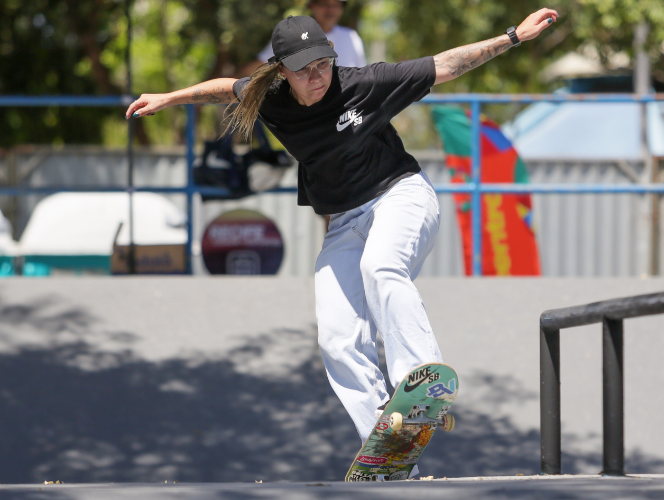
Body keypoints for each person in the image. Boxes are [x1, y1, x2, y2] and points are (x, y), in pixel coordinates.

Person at [126, 8, 558, 471]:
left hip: (401, 198)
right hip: (346, 220)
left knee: (381, 267)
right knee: (335, 337)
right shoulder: (267, 95)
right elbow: (221, 88)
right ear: (281, 71)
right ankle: (391, 447)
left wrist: (513, 37)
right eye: (304, 70)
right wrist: (169, 98)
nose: (317, 77)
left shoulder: (364, 83)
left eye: (323, 64)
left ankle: (420, 382)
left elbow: (446, 64)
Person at [238, 0, 366, 78]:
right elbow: (261, 65)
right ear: (312, 5)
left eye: (336, 5)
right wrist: (233, 83)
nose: (331, 9)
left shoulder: (351, 37)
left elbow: (361, 76)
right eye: (325, 3)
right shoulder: (293, 33)